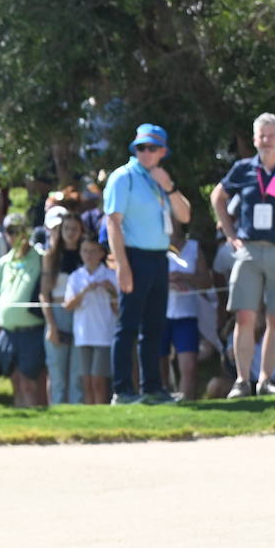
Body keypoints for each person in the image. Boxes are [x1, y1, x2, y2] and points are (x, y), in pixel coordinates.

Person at [211, 113, 275, 398]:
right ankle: (241, 381)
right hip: (248, 250)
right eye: (261, 135)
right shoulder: (242, 169)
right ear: (254, 139)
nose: (266, 140)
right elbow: (217, 197)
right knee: (245, 317)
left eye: (272, 135)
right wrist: (229, 233)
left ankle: (265, 381)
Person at [103, 123, 189, 404]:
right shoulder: (123, 177)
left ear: (163, 151)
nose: (146, 152)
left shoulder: (160, 179)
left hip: (158, 257)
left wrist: (170, 187)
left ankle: (152, 387)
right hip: (133, 255)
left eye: (152, 148)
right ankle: (122, 390)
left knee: (154, 326)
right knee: (127, 325)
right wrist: (123, 265)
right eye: (141, 147)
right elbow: (113, 223)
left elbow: (185, 216)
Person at [0, 214, 46, 407]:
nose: (15, 236)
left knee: (29, 383)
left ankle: (36, 422)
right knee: (15, 381)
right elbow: (0, 295)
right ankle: (21, 420)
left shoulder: (40, 258)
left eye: (19, 230)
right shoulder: (4, 262)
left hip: (31, 330)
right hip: (7, 331)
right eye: (10, 231)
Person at [64, 236, 118, 405]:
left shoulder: (111, 275)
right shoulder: (76, 277)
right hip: (83, 335)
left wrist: (111, 291)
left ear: (101, 253)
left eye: (93, 251)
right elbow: (68, 305)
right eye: (85, 251)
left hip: (103, 334)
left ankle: (102, 410)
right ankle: (90, 412)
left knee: (98, 381)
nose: (89, 255)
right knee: (86, 381)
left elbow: (119, 309)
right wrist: (84, 291)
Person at [40, 208, 85, 405]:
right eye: (66, 228)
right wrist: (51, 325)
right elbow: (44, 294)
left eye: (75, 229)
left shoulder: (87, 255)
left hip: (82, 315)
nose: (70, 232)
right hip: (58, 315)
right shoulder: (51, 257)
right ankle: (57, 411)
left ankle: (77, 413)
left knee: (77, 373)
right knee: (57, 373)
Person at [163, 226, 207, 401]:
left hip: (186, 314)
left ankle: (187, 404)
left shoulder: (194, 247)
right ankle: (160, 404)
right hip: (160, 314)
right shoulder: (156, 246)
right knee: (160, 367)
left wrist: (184, 277)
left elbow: (206, 282)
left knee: (189, 368)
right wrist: (168, 282)